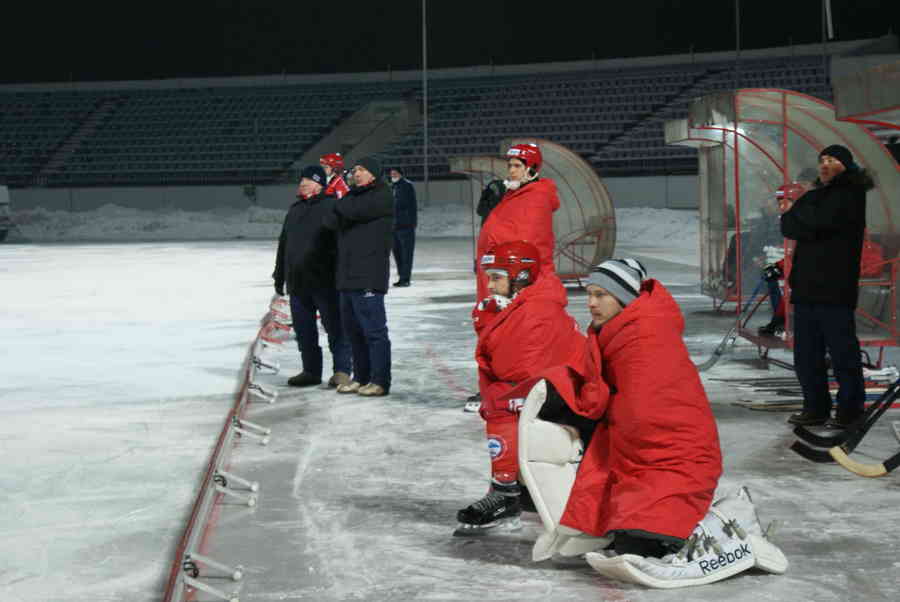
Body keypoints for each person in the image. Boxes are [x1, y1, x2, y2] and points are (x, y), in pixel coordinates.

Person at [509, 259, 723, 558]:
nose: (592, 303)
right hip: (645, 451)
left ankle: (701, 531)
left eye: (601, 295)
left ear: (623, 298)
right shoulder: (615, 329)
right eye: (589, 294)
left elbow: (647, 411)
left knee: (640, 541)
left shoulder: (645, 333)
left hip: (673, 454)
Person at [454, 240, 585, 535]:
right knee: (499, 397)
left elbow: (514, 368)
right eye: (488, 277)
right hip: (554, 391)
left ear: (521, 277)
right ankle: (519, 486)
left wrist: (491, 322)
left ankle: (506, 491)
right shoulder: (523, 304)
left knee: (501, 402)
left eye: (496, 278)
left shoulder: (536, 311)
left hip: (570, 399)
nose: (489, 286)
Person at [781, 144, 875, 429]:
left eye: (831, 160)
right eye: (822, 160)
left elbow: (815, 223)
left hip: (835, 288)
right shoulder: (816, 196)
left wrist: (796, 214)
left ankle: (850, 410)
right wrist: (797, 216)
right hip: (807, 287)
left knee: (843, 353)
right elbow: (789, 226)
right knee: (807, 355)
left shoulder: (851, 194)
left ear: (845, 165)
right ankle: (815, 407)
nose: (824, 165)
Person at [464, 144, 561, 411]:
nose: (512, 170)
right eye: (510, 165)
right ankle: (497, 386)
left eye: (517, 165)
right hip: (499, 277)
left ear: (532, 169)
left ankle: (518, 388)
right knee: (494, 330)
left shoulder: (536, 196)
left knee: (517, 333)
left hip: (520, 279)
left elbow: (528, 243)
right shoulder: (514, 194)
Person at [273, 165, 351, 388]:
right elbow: (284, 246)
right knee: (304, 331)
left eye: (308, 180)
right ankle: (311, 371)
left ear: (320, 184)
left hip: (326, 282)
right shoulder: (294, 210)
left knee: (336, 329)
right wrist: (279, 277)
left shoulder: (333, 207)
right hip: (298, 283)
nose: (303, 184)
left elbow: (343, 245)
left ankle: (342, 371)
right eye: (302, 181)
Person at [323, 156, 394, 397]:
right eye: (355, 170)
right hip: (347, 274)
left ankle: (380, 380)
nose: (356, 174)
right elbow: (330, 219)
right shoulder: (354, 196)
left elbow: (348, 210)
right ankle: (361, 377)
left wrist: (342, 207)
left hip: (369, 274)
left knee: (374, 331)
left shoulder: (383, 195)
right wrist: (342, 208)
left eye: (362, 170)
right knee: (353, 331)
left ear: (374, 174)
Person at [389, 167, 417, 287]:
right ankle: (402, 276)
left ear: (400, 174)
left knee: (406, 254)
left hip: (405, 225)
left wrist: (412, 222)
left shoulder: (407, 185)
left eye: (395, 173)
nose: (393, 175)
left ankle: (405, 278)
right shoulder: (392, 186)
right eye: (391, 174)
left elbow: (410, 205)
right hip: (394, 226)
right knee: (398, 253)